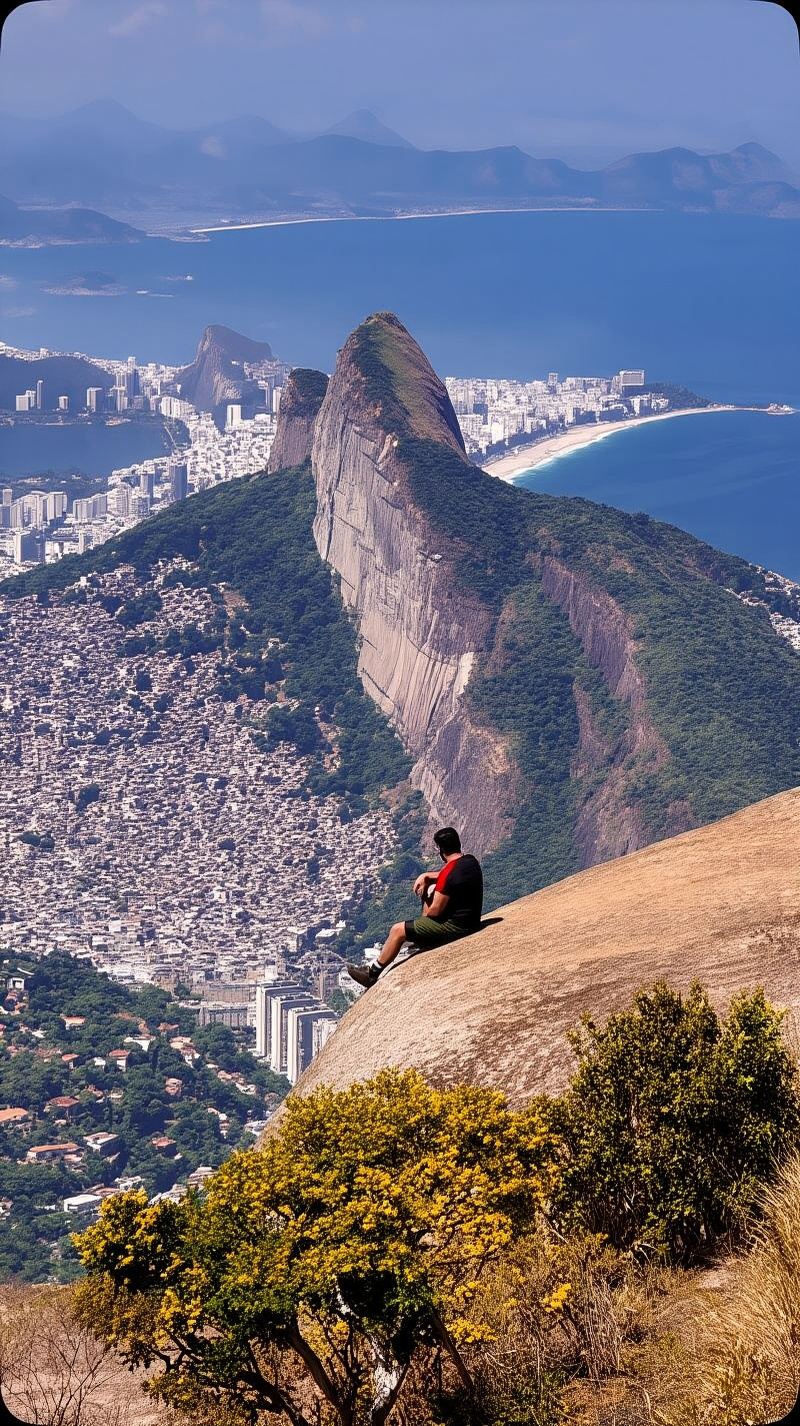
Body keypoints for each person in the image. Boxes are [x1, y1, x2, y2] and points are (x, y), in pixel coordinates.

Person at [346, 827, 483, 989]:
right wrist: (426, 876)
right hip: (471, 920)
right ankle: (420, 936)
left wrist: (425, 896)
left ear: (441, 850)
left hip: (456, 927)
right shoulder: (470, 861)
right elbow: (447, 875)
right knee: (432, 889)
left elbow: (435, 911)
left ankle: (372, 974)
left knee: (398, 930)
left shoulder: (448, 874)